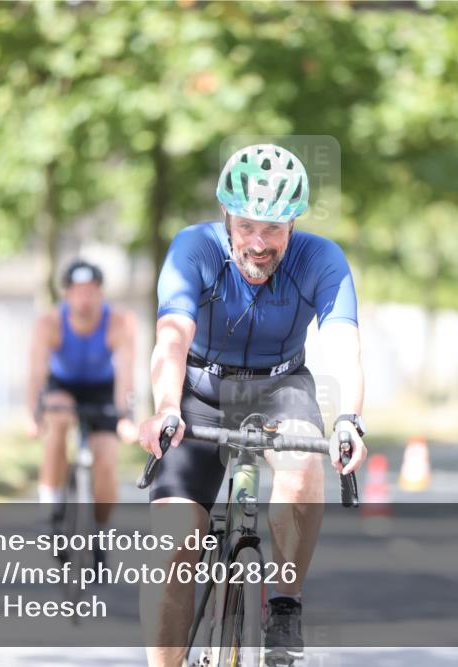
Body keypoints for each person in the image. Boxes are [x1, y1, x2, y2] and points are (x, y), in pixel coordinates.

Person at [136, 143, 367, 667]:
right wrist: (167, 405)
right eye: (245, 227)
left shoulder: (321, 258)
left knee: (303, 464)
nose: (259, 244)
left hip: (280, 387)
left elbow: (343, 344)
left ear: (294, 224)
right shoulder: (191, 249)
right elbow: (172, 338)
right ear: (225, 216)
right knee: (171, 549)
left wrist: (349, 419)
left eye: (274, 229)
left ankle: (284, 602)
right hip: (199, 393)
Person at [25, 260, 139, 536]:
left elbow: (126, 375)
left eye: (91, 291)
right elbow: (36, 374)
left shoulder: (119, 323)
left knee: (106, 460)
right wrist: (32, 415)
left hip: (102, 389)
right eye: (78, 291)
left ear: (101, 293)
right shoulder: (49, 323)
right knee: (58, 422)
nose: (85, 298)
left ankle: (100, 531)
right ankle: (51, 508)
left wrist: (126, 417)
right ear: (67, 294)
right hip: (63, 387)